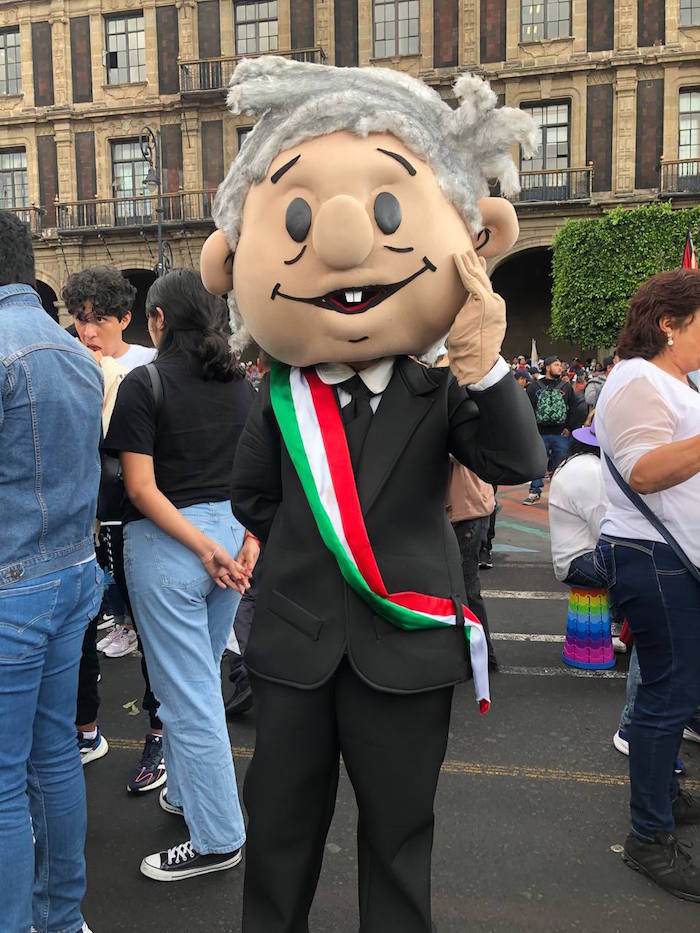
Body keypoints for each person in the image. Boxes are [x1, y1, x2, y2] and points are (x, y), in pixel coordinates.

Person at [200, 57, 546, 931]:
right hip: (295, 650)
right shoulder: (284, 394)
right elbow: (252, 497)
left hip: (407, 649)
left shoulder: (444, 391)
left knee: (398, 843)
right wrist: (308, 564)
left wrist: (486, 362)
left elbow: (515, 459)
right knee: (280, 838)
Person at [105, 269, 258, 881]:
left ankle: (217, 836)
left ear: (160, 319)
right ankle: (189, 793)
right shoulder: (238, 384)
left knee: (187, 694)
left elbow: (140, 488)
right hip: (230, 536)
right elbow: (259, 474)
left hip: (173, 546)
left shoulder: (144, 384)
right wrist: (246, 542)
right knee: (198, 681)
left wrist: (201, 547)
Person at [0, 210, 103, 933]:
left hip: (12, 585)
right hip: (70, 573)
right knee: (56, 757)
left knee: (5, 780)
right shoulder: (73, 351)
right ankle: (61, 919)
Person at [593, 268, 700, 901]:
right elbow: (644, 469)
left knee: (677, 691)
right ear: (669, 323)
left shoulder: (675, 380)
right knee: (668, 694)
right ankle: (649, 836)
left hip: (671, 557)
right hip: (652, 557)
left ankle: (664, 796)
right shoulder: (638, 378)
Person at [63, 267, 166, 794]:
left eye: (98, 320)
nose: (88, 331)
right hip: (83, 523)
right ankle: (86, 729)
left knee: (150, 633)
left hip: (136, 518)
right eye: (80, 320)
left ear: (126, 319)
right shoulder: (66, 362)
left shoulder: (149, 366)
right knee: (80, 631)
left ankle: (159, 734)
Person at [447, 458, 498, 669]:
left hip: (467, 513)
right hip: (470, 510)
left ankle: (484, 657)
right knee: (461, 587)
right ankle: (477, 655)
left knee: (467, 589)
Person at [548, 419, 607, 587]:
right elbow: (604, 531)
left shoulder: (576, 461)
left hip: (571, 558)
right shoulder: (593, 470)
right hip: (581, 559)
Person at [523, 354, 579, 504]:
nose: (560, 368)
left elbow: (573, 408)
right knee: (537, 462)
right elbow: (527, 408)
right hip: (539, 433)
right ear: (547, 367)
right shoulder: (534, 387)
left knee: (560, 463)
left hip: (560, 433)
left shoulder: (566, 387)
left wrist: (569, 427)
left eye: (560, 365)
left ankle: (559, 492)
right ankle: (535, 491)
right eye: (556, 365)